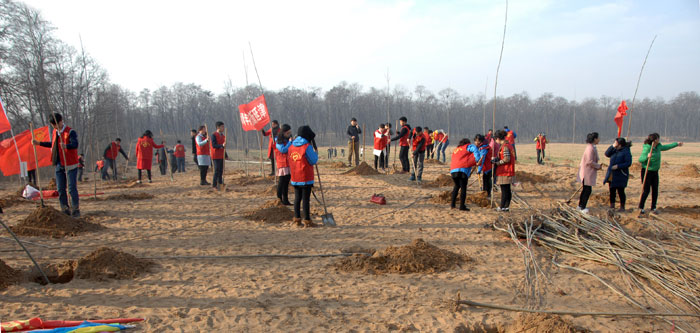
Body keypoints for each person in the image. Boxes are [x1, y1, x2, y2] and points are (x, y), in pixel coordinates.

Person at [32, 112, 80, 217]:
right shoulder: (55, 132)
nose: (55, 127)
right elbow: (52, 144)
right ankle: (64, 209)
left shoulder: (70, 132)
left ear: (61, 121)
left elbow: (75, 144)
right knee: (60, 189)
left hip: (70, 164)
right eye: (53, 125)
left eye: (56, 124)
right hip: (59, 164)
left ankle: (75, 209)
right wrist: (39, 143)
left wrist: (66, 146)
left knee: (71, 188)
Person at [638, 133, 683, 215]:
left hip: (655, 171)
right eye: (658, 138)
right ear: (655, 140)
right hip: (647, 171)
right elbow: (640, 160)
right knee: (646, 190)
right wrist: (647, 157)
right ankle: (641, 207)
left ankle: (653, 207)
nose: (659, 140)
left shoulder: (658, 146)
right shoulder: (647, 148)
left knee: (655, 189)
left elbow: (666, 147)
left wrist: (676, 144)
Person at [287, 125, 318, 227]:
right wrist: (315, 154)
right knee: (305, 199)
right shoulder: (307, 146)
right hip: (305, 177)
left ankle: (297, 219)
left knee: (297, 199)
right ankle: (307, 220)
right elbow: (313, 160)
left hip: (295, 176)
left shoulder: (291, 146)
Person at [604, 138, 632, 212]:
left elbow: (628, 163)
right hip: (612, 174)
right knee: (612, 190)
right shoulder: (614, 150)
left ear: (620, 145)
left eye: (616, 143)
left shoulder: (626, 151)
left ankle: (622, 207)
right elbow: (607, 154)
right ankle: (612, 206)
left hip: (621, 174)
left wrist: (618, 166)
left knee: (621, 191)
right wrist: (613, 146)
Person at [576, 132, 602, 214]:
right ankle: (582, 207)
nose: (599, 139)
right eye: (598, 138)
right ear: (595, 139)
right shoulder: (590, 148)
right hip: (587, 172)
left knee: (586, 189)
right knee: (587, 190)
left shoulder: (592, 147)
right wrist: (598, 166)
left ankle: (580, 206)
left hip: (588, 172)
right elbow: (589, 161)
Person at [450, 138, 478, 211]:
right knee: (463, 188)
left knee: (456, 186)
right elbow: (474, 148)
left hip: (453, 171)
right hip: (462, 170)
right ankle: (462, 206)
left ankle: (452, 204)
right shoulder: (467, 147)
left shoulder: (456, 150)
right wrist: (477, 159)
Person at [492, 130, 515, 212]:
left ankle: (502, 207)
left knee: (504, 190)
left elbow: (507, 159)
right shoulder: (508, 145)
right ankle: (506, 207)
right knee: (507, 190)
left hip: (505, 171)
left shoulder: (505, 146)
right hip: (508, 170)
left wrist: (497, 163)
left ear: (498, 138)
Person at [275, 124, 293, 205]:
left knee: (286, 183)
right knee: (281, 182)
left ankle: (286, 200)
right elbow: (283, 150)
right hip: (282, 164)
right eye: (287, 133)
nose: (289, 134)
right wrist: (290, 142)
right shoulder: (278, 140)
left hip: (289, 163)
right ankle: (279, 199)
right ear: (283, 133)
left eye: (290, 133)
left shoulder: (288, 140)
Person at [211, 121, 226, 190]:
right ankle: (214, 185)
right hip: (215, 155)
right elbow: (214, 145)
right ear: (218, 127)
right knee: (216, 170)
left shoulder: (223, 136)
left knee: (221, 170)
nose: (223, 128)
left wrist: (226, 155)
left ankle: (220, 183)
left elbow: (224, 147)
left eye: (223, 126)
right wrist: (221, 145)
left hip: (221, 155)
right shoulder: (214, 135)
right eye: (222, 126)